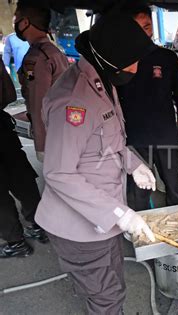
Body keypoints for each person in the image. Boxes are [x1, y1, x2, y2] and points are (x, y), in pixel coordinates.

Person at [34, 14, 158, 313]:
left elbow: (107, 140)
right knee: (106, 298)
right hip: (80, 226)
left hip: (102, 219)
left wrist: (133, 164)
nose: (135, 68)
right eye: (131, 61)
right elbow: (58, 172)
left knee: (110, 284)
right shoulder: (73, 101)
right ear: (109, 57)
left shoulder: (101, 80)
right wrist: (121, 215)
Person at [118, 6, 178, 209]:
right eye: (136, 28)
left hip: (165, 136)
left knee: (174, 187)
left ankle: (177, 234)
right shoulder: (119, 61)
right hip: (134, 138)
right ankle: (145, 238)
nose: (142, 33)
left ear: (152, 28)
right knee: (138, 194)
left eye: (147, 26)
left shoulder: (167, 58)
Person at [0, 58, 48, 258]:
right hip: (2, 127)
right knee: (20, 177)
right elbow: (10, 94)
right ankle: (38, 225)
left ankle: (15, 241)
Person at [14, 2, 68, 162]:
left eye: (16, 18)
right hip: (65, 129)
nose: (14, 23)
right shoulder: (53, 52)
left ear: (24, 22)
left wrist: (42, 146)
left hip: (53, 136)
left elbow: (39, 104)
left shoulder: (37, 58)